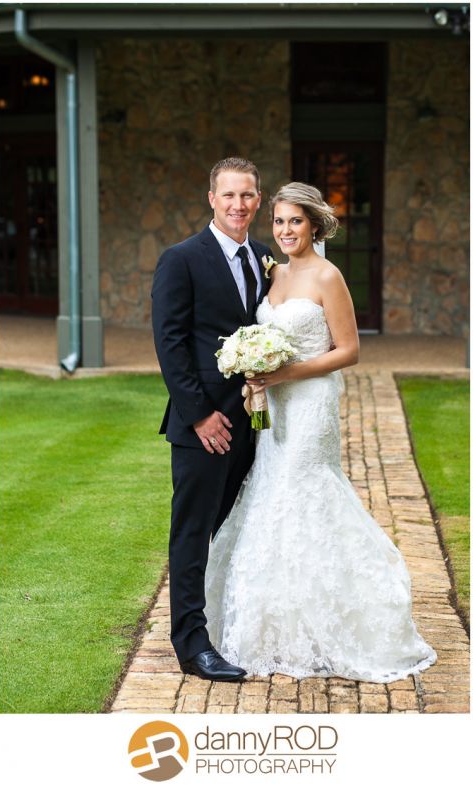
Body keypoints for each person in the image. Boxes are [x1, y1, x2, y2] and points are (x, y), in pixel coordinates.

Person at [204, 182, 437, 683]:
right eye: (279, 221)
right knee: (270, 494)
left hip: (310, 403)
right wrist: (256, 370)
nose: (285, 230)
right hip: (275, 404)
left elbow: (348, 351)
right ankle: (278, 626)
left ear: (314, 225)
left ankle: (333, 623)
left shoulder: (329, 276)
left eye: (295, 221)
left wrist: (284, 373)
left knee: (302, 492)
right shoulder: (274, 272)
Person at [151, 157, 273, 681]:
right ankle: (191, 644)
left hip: (255, 424)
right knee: (193, 534)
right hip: (203, 426)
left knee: (237, 528)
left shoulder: (266, 258)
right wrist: (201, 415)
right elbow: (170, 344)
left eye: (246, 195)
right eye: (228, 195)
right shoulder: (180, 260)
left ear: (258, 200)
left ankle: (228, 624)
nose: (237, 205)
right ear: (212, 199)